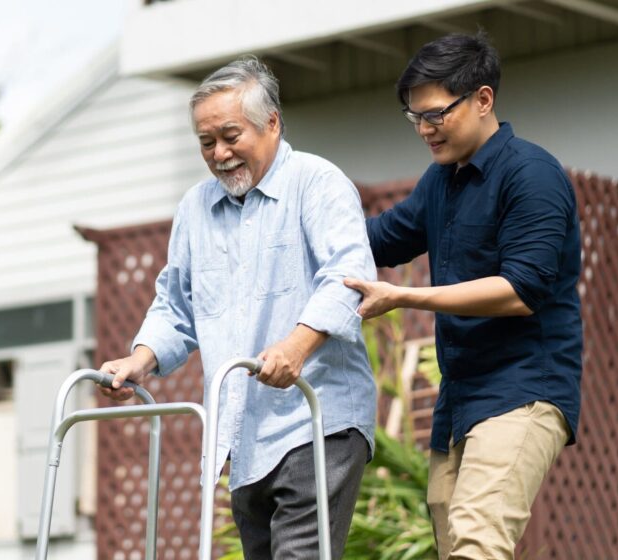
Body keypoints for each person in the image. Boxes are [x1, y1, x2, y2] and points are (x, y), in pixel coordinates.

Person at [99, 55, 377, 559]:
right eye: (207, 143)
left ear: (271, 123)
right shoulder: (194, 209)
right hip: (242, 433)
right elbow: (175, 306)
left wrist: (297, 345)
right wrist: (138, 360)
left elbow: (348, 277)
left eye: (231, 136)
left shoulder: (317, 183)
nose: (220, 153)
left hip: (317, 418)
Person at [343, 32, 582, 559]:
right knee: (455, 548)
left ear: (483, 99)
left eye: (435, 114)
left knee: (477, 543)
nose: (425, 130)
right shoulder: (440, 182)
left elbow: (520, 290)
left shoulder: (532, 175)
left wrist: (405, 299)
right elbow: (375, 239)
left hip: (524, 391)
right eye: (415, 118)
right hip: (460, 400)